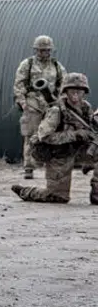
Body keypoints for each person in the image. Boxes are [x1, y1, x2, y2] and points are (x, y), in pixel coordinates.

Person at [12, 73, 96, 205]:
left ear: (84, 93)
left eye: (79, 92)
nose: (75, 95)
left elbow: (92, 129)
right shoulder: (56, 111)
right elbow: (44, 137)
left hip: (79, 151)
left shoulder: (86, 108)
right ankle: (26, 191)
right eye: (72, 91)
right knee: (57, 198)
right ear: (65, 92)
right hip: (59, 155)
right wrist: (75, 134)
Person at [14, 36, 66, 179]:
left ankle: (51, 165)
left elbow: (64, 84)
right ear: (36, 50)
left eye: (47, 50)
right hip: (33, 104)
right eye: (41, 50)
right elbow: (19, 84)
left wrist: (60, 101)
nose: (44, 53)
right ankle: (29, 167)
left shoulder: (56, 66)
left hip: (51, 105)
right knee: (30, 134)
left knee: (51, 134)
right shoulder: (27, 64)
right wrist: (22, 101)